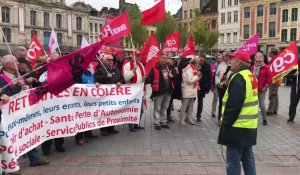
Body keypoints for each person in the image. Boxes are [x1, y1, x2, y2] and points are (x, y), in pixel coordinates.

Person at [0, 55, 49, 168]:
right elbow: (9, 94)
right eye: (15, 61)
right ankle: (11, 163)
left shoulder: (17, 75)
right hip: (10, 115)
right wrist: (18, 85)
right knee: (13, 137)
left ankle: (34, 158)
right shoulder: (2, 78)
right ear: (7, 65)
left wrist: (24, 87)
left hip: (21, 111)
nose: (18, 63)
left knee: (26, 134)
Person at [218, 50, 258, 175]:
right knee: (248, 160)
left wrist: (225, 124)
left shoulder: (238, 77)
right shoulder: (250, 75)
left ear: (238, 61)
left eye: (232, 58)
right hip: (249, 126)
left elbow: (234, 106)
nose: (230, 61)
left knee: (233, 163)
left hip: (237, 127)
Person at [34, 52, 66, 155]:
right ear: (49, 60)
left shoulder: (63, 68)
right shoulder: (42, 69)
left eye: (57, 59)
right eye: (53, 60)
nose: (55, 61)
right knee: (46, 124)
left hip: (59, 101)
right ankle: (46, 148)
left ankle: (59, 145)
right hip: (46, 102)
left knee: (59, 123)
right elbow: (37, 83)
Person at [94, 54, 124, 136]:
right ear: (104, 61)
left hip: (114, 95)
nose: (111, 61)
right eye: (108, 60)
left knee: (113, 111)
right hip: (104, 96)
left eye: (112, 60)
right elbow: (96, 78)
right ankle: (103, 129)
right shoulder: (100, 69)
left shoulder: (116, 69)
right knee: (105, 112)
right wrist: (105, 76)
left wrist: (120, 82)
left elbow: (122, 78)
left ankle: (111, 127)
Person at [146, 54, 174, 130]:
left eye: (166, 58)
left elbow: (175, 73)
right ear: (159, 59)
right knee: (157, 108)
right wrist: (145, 79)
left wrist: (172, 70)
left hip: (168, 91)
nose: (165, 59)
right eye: (163, 58)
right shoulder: (155, 68)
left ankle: (163, 122)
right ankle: (157, 123)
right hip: (159, 91)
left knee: (165, 107)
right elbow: (150, 78)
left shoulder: (168, 67)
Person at [122, 51, 146, 131]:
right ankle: (131, 125)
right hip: (131, 91)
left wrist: (144, 79)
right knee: (132, 109)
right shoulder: (127, 65)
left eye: (140, 56)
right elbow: (126, 78)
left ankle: (136, 123)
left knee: (140, 110)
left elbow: (142, 76)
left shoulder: (141, 65)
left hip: (139, 91)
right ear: (133, 56)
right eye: (137, 56)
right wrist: (133, 71)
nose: (139, 58)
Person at [250, 52, 272, 126]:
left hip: (262, 89)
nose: (259, 62)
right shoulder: (252, 68)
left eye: (260, 61)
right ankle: (253, 118)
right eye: (257, 61)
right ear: (255, 60)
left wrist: (265, 87)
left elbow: (269, 79)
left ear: (263, 59)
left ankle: (264, 119)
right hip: (253, 89)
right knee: (253, 104)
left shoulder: (266, 67)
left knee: (261, 105)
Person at [179, 57, 201, 126]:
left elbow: (195, 79)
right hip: (187, 89)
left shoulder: (193, 69)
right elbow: (190, 80)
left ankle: (189, 118)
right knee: (184, 106)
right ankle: (182, 120)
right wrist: (197, 75)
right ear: (195, 63)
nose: (199, 65)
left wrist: (198, 76)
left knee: (191, 105)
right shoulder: (188, 69)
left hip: (192, 90)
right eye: (198, 63)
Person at [215, 51, 232, 125]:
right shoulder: (220, 65)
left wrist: (227, 80)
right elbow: (217, 75)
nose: (227, 58)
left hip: (229, 86)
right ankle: (220, 118)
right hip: (221, 86)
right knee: (221, 103)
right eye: (226, 56)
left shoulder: (232, 65)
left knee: (229, 103)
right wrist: (219, 83)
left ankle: (227, 118)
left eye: (229, 56)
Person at [196, 54, 211, 122]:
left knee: (200, 101)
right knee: (191, 100)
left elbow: (209, 78)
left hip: (201, 86)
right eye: (200, 60)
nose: (200, 61)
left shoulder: (207, 66)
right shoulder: (195, 64)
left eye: (202, 60)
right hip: (193, 85)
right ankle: (187, 113)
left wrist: (208, 88)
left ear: (205, 60)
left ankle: (198, 115)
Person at [267, 48, 281, 116]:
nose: (268, 53)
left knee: (272, 95)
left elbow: (272, 70)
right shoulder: (275, 59)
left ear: (273, 53)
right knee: (275, 95)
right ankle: (275, 110)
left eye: (269, 52)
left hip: (274, 79)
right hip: (275, 79)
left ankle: (270, 110)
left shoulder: (274, 60)